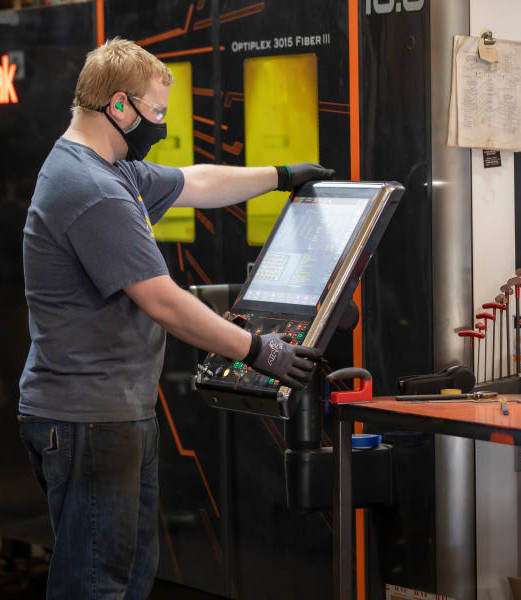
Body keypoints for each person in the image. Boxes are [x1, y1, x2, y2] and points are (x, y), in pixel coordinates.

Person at [18, 38, 333, 599]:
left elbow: (197, 181)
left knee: (130, 571)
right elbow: (162, 300)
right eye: (156, 113)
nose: (160, 126)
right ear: (119, 106)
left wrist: (282, 175)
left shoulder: (107, 169)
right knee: (96, 584)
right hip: (89, 416)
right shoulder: (92, 189)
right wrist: (259, 351)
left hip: (111, 412)